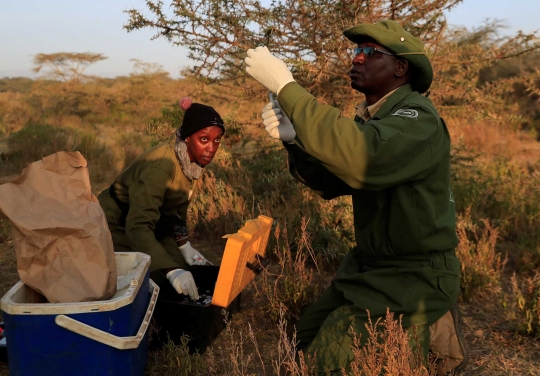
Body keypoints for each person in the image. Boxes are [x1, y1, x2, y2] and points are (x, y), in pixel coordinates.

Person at [244, 20, 467, 374]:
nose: (357, 59)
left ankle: (429, 339)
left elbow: (362, 155)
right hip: (369, 267)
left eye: (369, 52)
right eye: (356, 51)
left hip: (414, 274)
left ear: (400, 67)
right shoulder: (376, 121)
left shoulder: (417, 119)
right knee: (304, 339)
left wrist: (288, 87)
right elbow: (332, 183)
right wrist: (292, 139)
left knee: (329, 358)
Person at [98, 97, 225, 301]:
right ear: (187, 138)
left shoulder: (191, 160)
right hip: (116, 222)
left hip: (154, 223)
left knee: (187, 273)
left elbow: (177, 208)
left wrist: (184, 245)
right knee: (159, 279)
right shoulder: (161, 167)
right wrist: (171, 270)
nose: (211, 148)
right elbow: (137, 225)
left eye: (217, 140)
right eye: (204, 139)